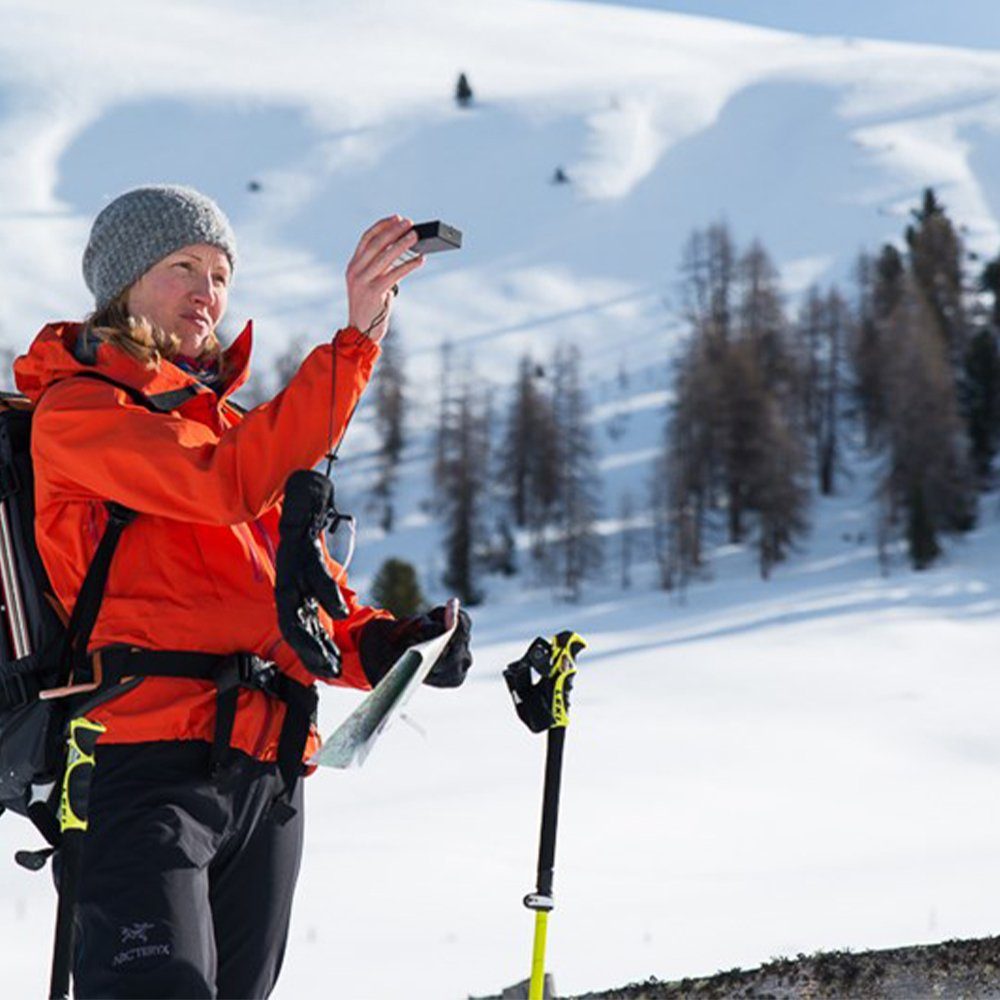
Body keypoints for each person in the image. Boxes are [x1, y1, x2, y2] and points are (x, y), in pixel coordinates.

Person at [12, 184, 473, 999]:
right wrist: (358, 337)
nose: (208, 291)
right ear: (123, 283)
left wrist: (394, 647)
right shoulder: (82, 414)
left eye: (222, 273)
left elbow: (307, 607)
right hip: (142, 764)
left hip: (267, 774)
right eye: (183, 265)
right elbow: (229, 485)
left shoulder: (226, 426)